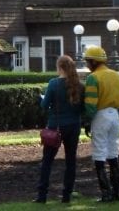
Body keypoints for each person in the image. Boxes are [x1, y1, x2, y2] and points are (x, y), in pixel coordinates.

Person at [34, 55, 84, 204]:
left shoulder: (53, 83)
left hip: (55, 126)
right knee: (70, 161)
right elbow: (82, 108)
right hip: (73, 126)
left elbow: (44, 106)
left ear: (60, 68)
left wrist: (41, 99)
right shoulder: (80, 86)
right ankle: (66, 196)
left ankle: (42, 196)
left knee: (47, 161)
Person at [83, 46, 119, 202]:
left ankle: (105, 194)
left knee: (99, 154)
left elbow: (90, 104)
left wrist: (87, 120)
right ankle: (116, 194)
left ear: (94, 61)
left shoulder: (93, 78)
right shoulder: (116, 76)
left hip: (100, 116)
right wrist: (118, 114)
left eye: (88, 61)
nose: (87, 65)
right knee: (113, 153)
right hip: (115, 115)